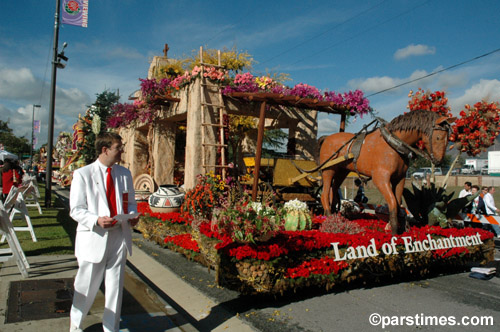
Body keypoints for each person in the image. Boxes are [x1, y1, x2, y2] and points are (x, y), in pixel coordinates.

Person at [69, 132, 139, 332]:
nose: (122, 151)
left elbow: (130, 202)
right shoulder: (83, 174)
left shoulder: (124, 174)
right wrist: (96, 220)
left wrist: (132, 215)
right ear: (105, 149)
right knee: (86, 287)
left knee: (115, 287)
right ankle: (75, 326)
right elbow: (76, 209)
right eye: (118, 147)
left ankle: (111, 328)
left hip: (118, 236)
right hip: (94, 237)